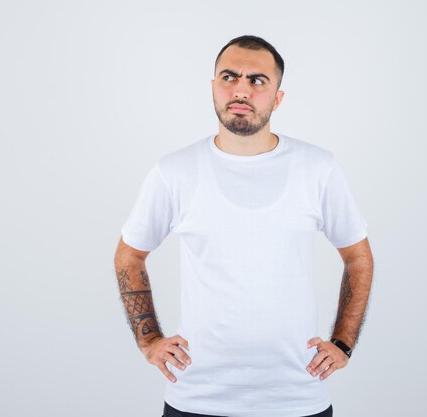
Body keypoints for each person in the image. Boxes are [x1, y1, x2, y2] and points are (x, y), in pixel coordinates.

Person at [114, 35, 374, 417]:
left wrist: (344, 342)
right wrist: (149, 339)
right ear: (213, 88)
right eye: (229, 77)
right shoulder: (174, 172)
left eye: (257, 80)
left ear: (278, 97)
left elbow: (358, 257)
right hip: (197, 396)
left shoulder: (317, 168)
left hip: (296, 397)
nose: (240, 89)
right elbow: (129, 255)